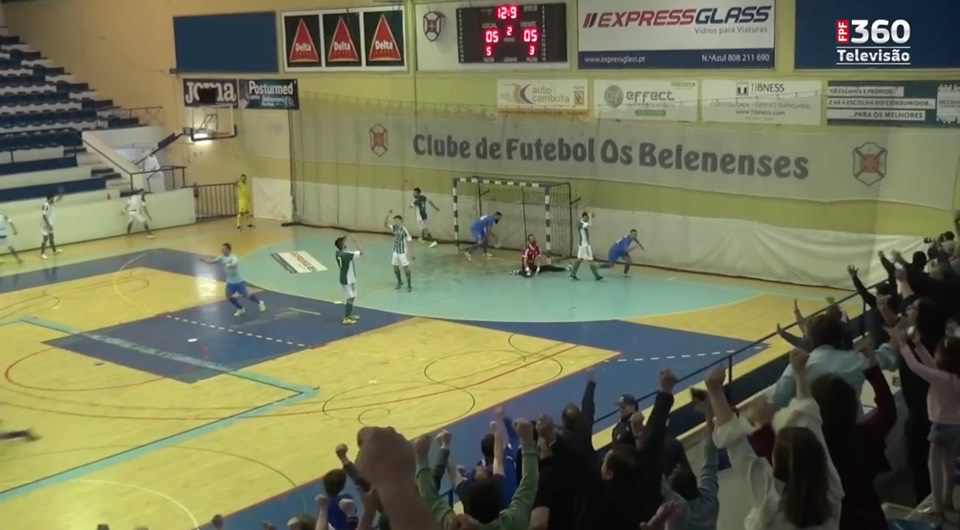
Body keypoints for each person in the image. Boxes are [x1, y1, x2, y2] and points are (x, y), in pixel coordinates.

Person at [707, 349, 843, 529]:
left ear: (776, 463)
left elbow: (736, 447)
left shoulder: (770, 502)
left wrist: (714, 390)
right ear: (819, 456)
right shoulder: (830, 494)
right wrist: (800, 374)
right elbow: (811, 424)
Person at [811, 345, 896, 530]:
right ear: (851, 405)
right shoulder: (864, 435)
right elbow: (888, 411)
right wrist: (872, 369)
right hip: (870, 516)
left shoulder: (813, 449)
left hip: (836, 521)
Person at [416, 419, 539, 530]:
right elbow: (528, 484)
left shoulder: (456, 524)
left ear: (467, 509)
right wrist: (527, 441)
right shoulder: (514, 521)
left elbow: (430, 497)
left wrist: (442, 447)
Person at [891, 326, 960, 525]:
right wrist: (918, 345)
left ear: (944, 359)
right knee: (948, 465)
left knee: (934, 467)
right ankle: (948, 502)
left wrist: (903, 346)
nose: (935, 355)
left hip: (940, 428)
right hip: (957, 428)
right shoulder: (952, 376)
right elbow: (932, 365)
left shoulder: (940, 378)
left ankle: (938, 508)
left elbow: (916, 367)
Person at [768, 313, 894, 411]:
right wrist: (898, 337)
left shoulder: (796, 370)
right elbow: (887, 358)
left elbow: (774, 402)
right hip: (853, 429)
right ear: (840, 337)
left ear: (811, 340)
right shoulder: (856, 360)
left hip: (814, 437)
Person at [664, 389, 720, 530]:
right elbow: (710, 455)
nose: (675, 468)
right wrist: (709, 414)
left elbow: (710, 460)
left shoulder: (679, 517)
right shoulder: (708, 500)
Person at [200, 243, 266, 317]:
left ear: (228, 249)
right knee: (229, 296)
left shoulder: (233, 257)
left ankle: (260, 302)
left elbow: (235, 264)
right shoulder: (221, 257)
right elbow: (214, 261)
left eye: (224, 249)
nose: (222, 250)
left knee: (246, 295)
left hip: (238, 281)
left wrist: (229, 265)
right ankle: (240, 308)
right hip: (230, 282)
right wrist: (204, 261)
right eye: (222, 249)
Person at [335, 235, 362, 325]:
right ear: (342, 244)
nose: (346, 243)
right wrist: (356, 242)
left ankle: (350, 314)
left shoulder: (339, 253)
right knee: (350, 296)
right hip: (346, 279)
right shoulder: (346, 255)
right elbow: (361, 252)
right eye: (344, 242)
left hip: (350, 278)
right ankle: (346, 318)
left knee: (353, 295)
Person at [385, 211, 414, 292]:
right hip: (395, 251)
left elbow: (409, 240)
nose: (396, 222)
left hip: (402, 252)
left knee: (406, 268)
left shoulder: (404, 230)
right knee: (395, 267)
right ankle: (400, 281)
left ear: (401, 221)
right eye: (395, 221)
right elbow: (385, 225)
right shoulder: (394, 227)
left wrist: (411, 253)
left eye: (397, 221)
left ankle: (409, 285)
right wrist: (387, 215)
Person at [570, 212, 602, 281]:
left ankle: (572, 274)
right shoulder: (581, 223)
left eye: (588, 218)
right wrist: (591, 217)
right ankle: (597, 276)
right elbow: (589, 225)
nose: (588, 219)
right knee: (590, 260)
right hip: (585, 245)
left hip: (582, 245)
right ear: (583, 217)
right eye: (587, 218)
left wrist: (590, 217)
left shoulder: (582, 223)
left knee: (579, 259)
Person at [39, 193, 63, 260]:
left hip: (49, 224)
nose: (54, 199)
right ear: (50, 198)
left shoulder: (51, 203)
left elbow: (58, 200)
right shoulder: (45, 205)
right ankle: (42, 254)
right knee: (45, 239)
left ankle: (54, 251)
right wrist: (48, 224)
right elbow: (44, 216)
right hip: (44, 225)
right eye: (53, 198)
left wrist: (61, 194)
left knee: (51, 237)